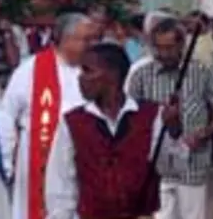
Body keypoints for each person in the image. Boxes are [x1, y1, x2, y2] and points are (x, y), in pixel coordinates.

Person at [45, 43, 189, 218]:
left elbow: (172, 169)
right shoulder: (72, 122)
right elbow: (60, 185)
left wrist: (173, 131)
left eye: (88, 71)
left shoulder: (151, 115)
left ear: (112, 75)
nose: (80, 78)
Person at [0, 13, 98, 219]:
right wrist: (5, 163)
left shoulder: (97, 70)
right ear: (65, 39)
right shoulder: (30, 70)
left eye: (93, 39)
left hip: (84, 162)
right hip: (39, 159)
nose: (91, 45)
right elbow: (6, 115)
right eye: (85, 39)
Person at [127, 17, 213, 219]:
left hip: (193, 162)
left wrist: (204, 134)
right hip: (157, 165)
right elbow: (129, 119)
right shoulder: (141, 75)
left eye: (170, 47)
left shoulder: (201, 71)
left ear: (182, 44)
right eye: (159, 48)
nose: (164, 54)